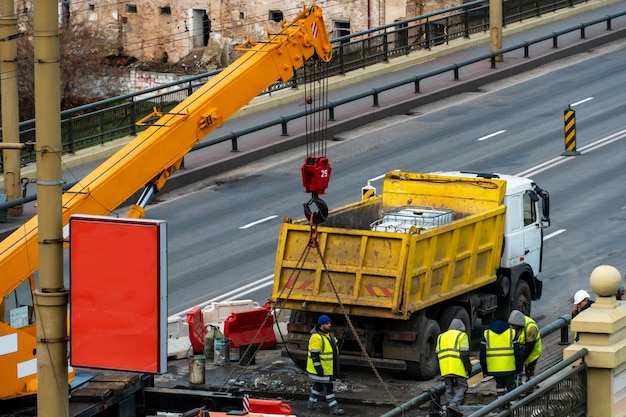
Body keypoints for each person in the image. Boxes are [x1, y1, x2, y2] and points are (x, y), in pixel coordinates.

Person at [306, 314, 345, 415]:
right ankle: (334, 407)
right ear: (321, 325)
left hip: (327, 368)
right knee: (328, 389)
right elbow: (315, 354)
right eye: (327, 323)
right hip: (321, 369)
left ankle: (311, 403)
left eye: (329, 323)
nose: (329, 325)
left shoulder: (328, 335)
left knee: (318, 385)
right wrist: (318, 367)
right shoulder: (316, 337)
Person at [436, 318, 472, 417]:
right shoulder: (462, 335)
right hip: (458, 367)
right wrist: (468, 367)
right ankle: (453, 404)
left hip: (445, 368)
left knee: (449, 388)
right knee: (463, 387)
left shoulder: (441, 337)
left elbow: (437, 354)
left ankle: (451, 411)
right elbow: (464, 354)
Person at [480, 315, 522, 398]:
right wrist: (519, 367)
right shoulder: (511, 333)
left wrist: (485, 369)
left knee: (500, 387)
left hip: (494, 368)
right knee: (511, 388)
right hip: (510, 367)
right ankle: (512, 407)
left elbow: (482, 354)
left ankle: (501, 407)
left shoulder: (487, 334)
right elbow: (518, 353)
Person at [508, 310, 542, 383]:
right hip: (521, 349)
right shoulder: (513, 325)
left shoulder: (531, 327)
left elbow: (530, 346)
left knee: (529, 371)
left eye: (515, 326)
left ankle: (531, 388)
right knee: (517, 371)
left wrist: (521, 359)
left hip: (532, 353)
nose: (513, 328)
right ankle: (519, 385)